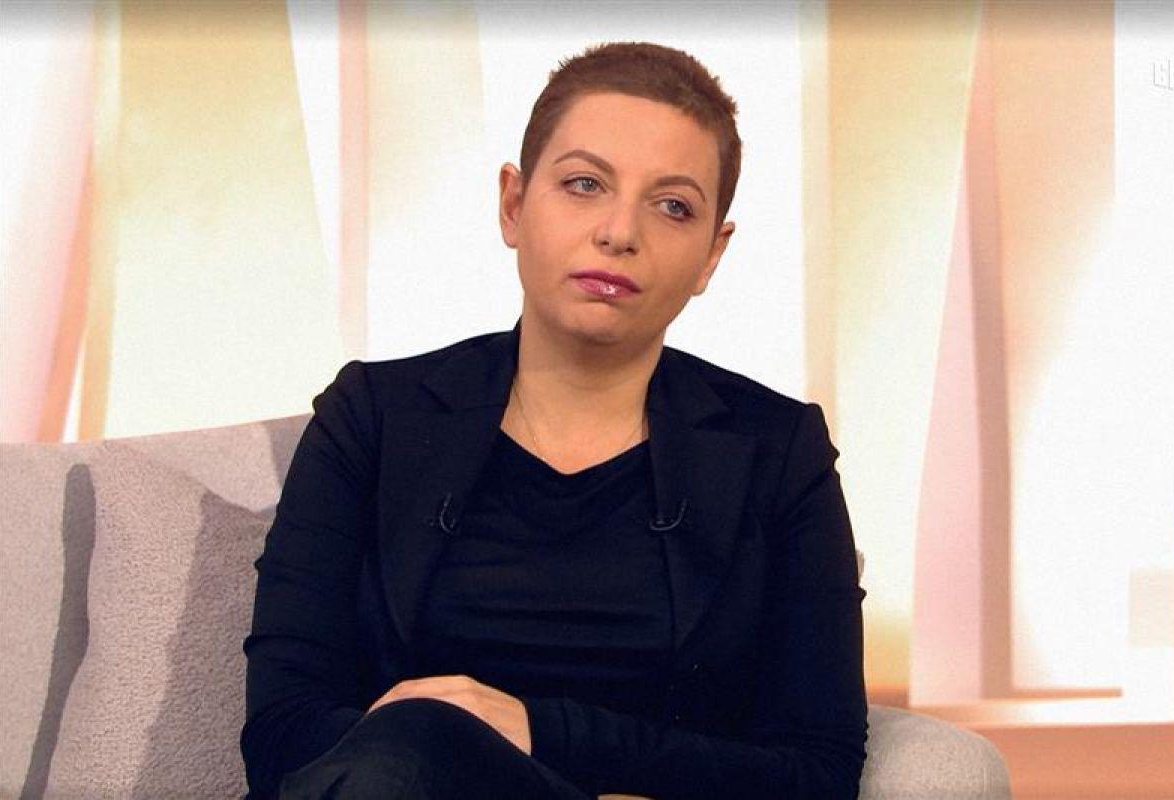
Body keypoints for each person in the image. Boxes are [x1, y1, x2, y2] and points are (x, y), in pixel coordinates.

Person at [241, 41, 867, 800]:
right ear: (513, 204)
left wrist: (540, 730)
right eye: (584, 184)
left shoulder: (778, 452)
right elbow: (281, 732)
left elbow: (818, 770)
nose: (619, 231)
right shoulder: (373, 418)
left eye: (673, 206)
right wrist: (439, 745)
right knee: (411, 747)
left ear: (712, 254)